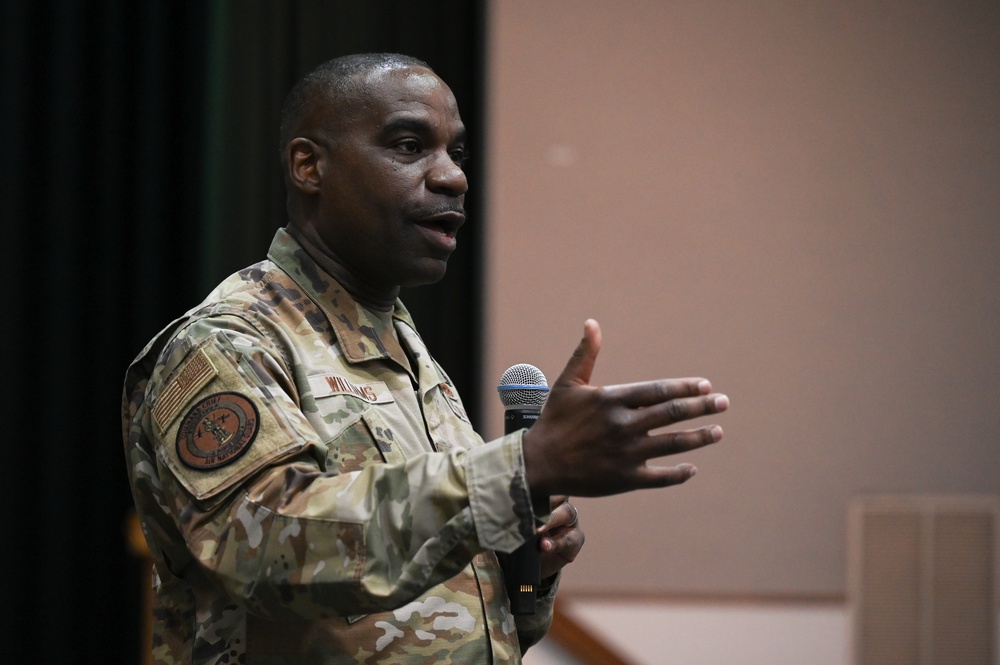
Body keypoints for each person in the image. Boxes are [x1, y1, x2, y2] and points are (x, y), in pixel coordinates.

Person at [121, 52, 728, 664]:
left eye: (456, 154)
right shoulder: (229, 342)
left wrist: (527, 565)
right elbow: (264, 551)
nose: (453, 178)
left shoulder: (406, 353)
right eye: (410, 146)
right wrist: (518, 469)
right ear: (309, 166)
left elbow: (458, 621)